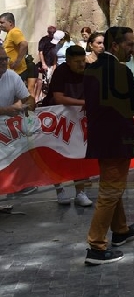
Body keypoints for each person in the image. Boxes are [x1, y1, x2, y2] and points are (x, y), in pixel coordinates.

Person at [83, 26, 134, 265]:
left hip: (101, 137)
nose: (132, 48)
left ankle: (120, 230)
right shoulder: (120, 71)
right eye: (128, 44)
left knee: (113, 186)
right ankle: (96, 246)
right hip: (117, 139)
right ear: (115, 46)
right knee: (109, 192)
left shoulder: (91, 69)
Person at [44, 45, 93, 207]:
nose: (81, 64)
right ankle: (60, 190)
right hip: (58, 120)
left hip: (77, 118)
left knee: (79, 154)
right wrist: (83, 102)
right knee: (57, 155)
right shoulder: (61, 72)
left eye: (83, 60)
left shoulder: (89, 70)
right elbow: (59, 98)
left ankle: (80, 192)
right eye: (77, 62)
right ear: (68, 61)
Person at [0, 46, 37, 196]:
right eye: (0, 60)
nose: (4, 62)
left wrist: (29, 105)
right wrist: (6, 110)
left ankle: (17, 182)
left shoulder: (11, 76)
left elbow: (27, 98)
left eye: (5, 59)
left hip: (6, 127)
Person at [0, 13, 28, 81]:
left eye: (2, 23)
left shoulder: (14, 32)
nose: (0, 25)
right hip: (11, 72)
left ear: (10, 22)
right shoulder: (10, 33)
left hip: (17, 73)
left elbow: (24, 44)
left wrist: (17, 62)